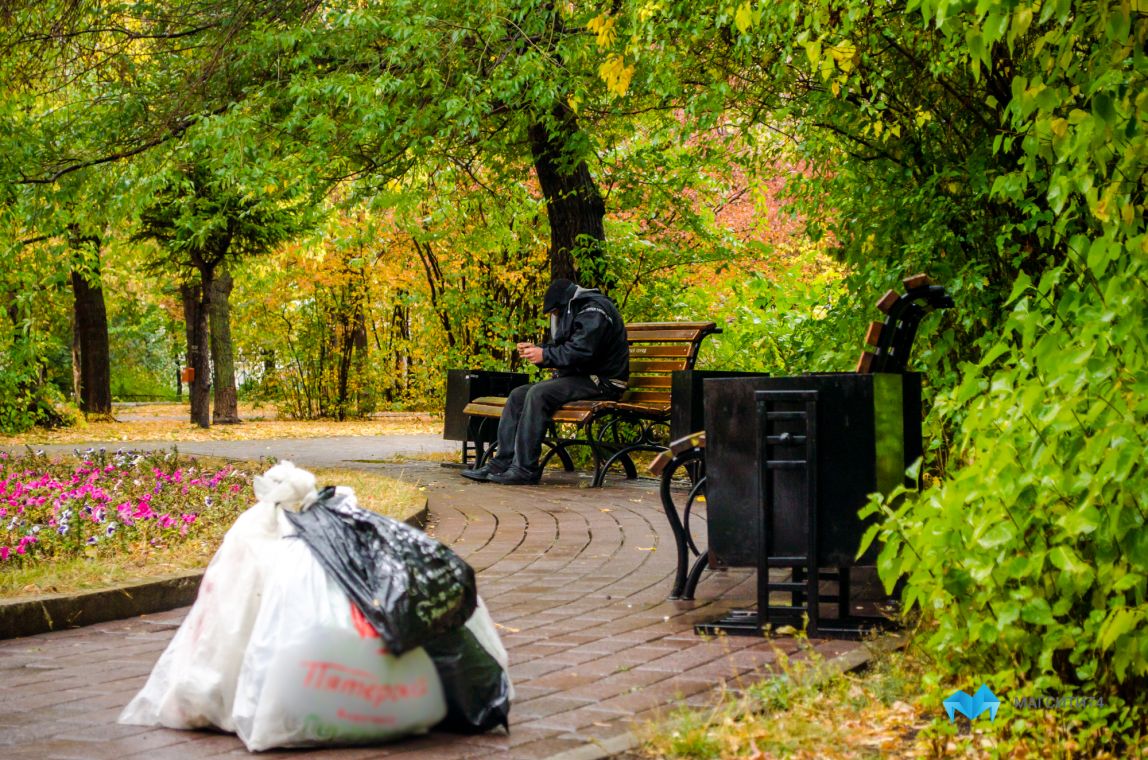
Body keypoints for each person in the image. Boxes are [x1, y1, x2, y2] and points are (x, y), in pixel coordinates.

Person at [462, 278, 629, 485]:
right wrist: (538, 351)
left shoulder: (594, 310)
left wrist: (545, 355)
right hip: (582, 378)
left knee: (538, 394)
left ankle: (525, 469)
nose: (554, 317)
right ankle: (501, 463)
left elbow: (582, 351)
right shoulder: (577, 309)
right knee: (517, 395)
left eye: (555, 312)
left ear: (563, 304)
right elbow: (567, 348)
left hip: (603, 381)